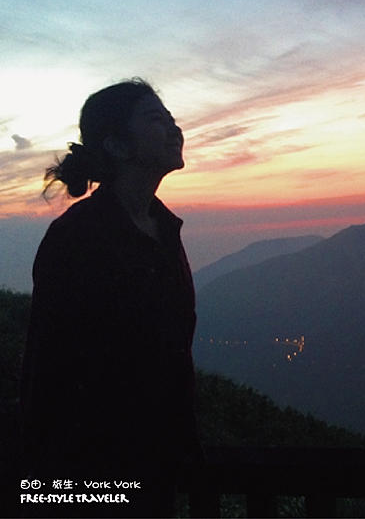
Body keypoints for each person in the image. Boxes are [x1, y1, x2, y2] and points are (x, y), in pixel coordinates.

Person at [20, 79, 201, 517]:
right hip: (91, 475)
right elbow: (49, 370)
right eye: (156, 119)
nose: (174, 129)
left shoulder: (163, 229)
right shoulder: (77, 238)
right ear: (117, 145)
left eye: (171, 118)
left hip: (156, 468)